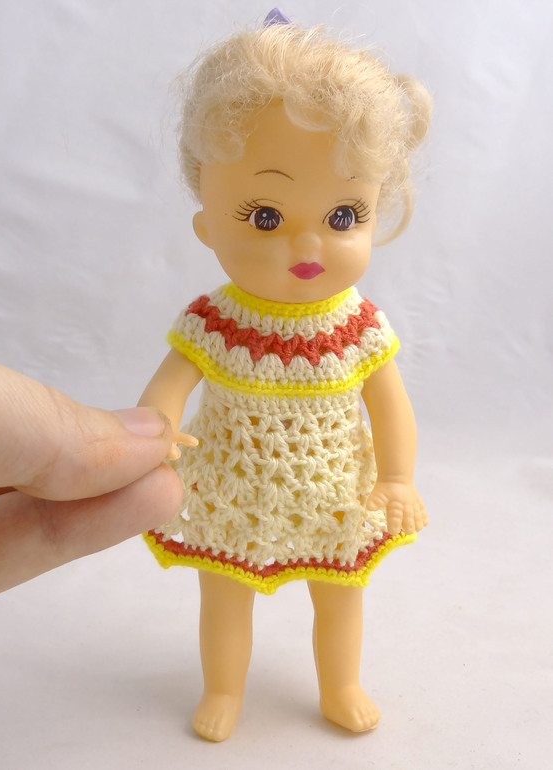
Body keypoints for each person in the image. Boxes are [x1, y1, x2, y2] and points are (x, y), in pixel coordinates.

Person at [139, 17, 431, 742]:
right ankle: (223, 689)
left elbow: (390, 405)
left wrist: (397, 479)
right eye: (264, 216)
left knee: (340, 594)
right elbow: (169, 386)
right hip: (232, 486)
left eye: (344, 215)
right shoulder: (215, 322)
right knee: (224, 594)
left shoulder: (358, 326)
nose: (308, 244)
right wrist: (156, 434)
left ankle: (341, 684)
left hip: (335, 492)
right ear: (207, 226)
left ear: (376, 211)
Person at [0, 357, 183, 627]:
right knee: (223, 596)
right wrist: (166, 429)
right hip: (224, 479)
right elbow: (172, 382)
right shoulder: (215, 332)